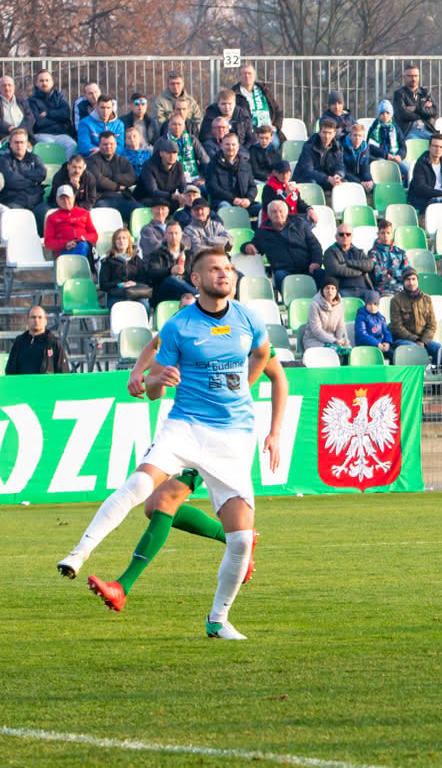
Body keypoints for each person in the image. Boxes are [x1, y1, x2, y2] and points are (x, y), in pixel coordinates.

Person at [60, 246, 287, 640]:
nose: (225, 274)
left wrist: (266, 423)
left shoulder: (249, 320)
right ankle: (80, 553)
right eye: (215, 269)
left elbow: (266, 359)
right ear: (195, 279)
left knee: (240, 538)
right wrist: (151, 380)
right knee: (143, 489)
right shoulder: (181, 326)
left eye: (228, 269)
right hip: (184, 427)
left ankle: (218, 620)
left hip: (232, 438)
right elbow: (151, 388)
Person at [0, 126, 48, 230]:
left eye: (22, 142)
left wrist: (21, 173)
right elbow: (11, 180)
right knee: (16, 217)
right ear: (10, 144)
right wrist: (33, 181)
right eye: (16, 142)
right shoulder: (3, 160)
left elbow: (42, 174)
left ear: (26, 144)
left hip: (35, 201)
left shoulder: (35, 158)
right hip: (14, 200)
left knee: (47, 215)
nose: (19, 145)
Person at [389, 268, 441, 362]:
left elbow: (432, 324)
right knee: (413, 348)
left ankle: (433, 372)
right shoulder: (396, 300)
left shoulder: (426, 299)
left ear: (417, 280)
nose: (411, 282)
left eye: (413, 279)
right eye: (408, 279)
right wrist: (416, 340)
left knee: (438, 348)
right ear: (404, 282)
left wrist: (423, 341)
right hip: (403, 339)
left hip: (423, 339)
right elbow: (397, 327)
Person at [7, 304, 70, 374]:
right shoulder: (19, 342)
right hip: (23, 384)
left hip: (46, 384)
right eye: (33, 317)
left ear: (45, 321)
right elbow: (10, 370)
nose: (36, 320)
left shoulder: (53, 343)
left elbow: (63, 372)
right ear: (27, 321)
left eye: (40, 317)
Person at [407, 133, 442, 212]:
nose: (438, 149)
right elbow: (420, 188)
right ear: (429, 147)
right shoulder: (421, 163)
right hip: (425, 200)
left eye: (441, 147)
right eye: (435, 146)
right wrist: (441, 193)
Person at [44, 185, 97, 259]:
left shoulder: (85, 213)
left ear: (73, 197)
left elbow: (94, 235)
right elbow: (48, 242)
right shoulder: (52, 217)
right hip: (63, 251)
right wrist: (65, 244)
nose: (66, 201)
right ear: (57, 200)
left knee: (82, 246)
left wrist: (82, 238)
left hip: (82, 246)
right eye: (62, 198)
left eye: (68, 198)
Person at [322, 223, 375, 297]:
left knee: (374, 296)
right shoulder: (329, 252)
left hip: (364, 289)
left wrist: (348, 263)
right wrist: (361, 271)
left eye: (348, 234)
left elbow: (370, 265)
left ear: (352, 236)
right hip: (342, 290)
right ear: (336, 237)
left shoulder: (359, 251)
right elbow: (337, 270)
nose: (345, 236)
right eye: (341, 234)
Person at [303, 280, 349, 359]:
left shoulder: (339, 304)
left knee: (347, 350)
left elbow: (340, 326)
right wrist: (334, 341)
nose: (330, 291)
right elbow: (316, 330)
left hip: (334, 340)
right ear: (322, 290)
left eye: (333, 288)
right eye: (327, 288)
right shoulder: (314, 304)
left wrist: (341, 339)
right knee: (335, 350)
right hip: (314, 340)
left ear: (336, 291)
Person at [393, 64, 439, 139]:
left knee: (439, 141)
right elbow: (401, 114)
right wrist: (423, 114)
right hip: (408, 130)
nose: (413, 78)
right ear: (404, 77)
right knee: (413, 141)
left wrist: (416, 109)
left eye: (416, 76)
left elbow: (434, 111)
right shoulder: (399, 94)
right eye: (410, 76)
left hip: (427, 129)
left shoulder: (425, 92)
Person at [355, 290, 394, 360]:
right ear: (366, 304)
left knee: (393, 355)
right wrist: (377, 344)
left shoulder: (381, 317)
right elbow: (362, 334)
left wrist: (387, 342)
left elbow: (386, 332)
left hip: (380, 345)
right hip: (366, 346)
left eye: (375, 304)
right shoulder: (361, 317)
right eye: (370, 304)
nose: (372, 307)